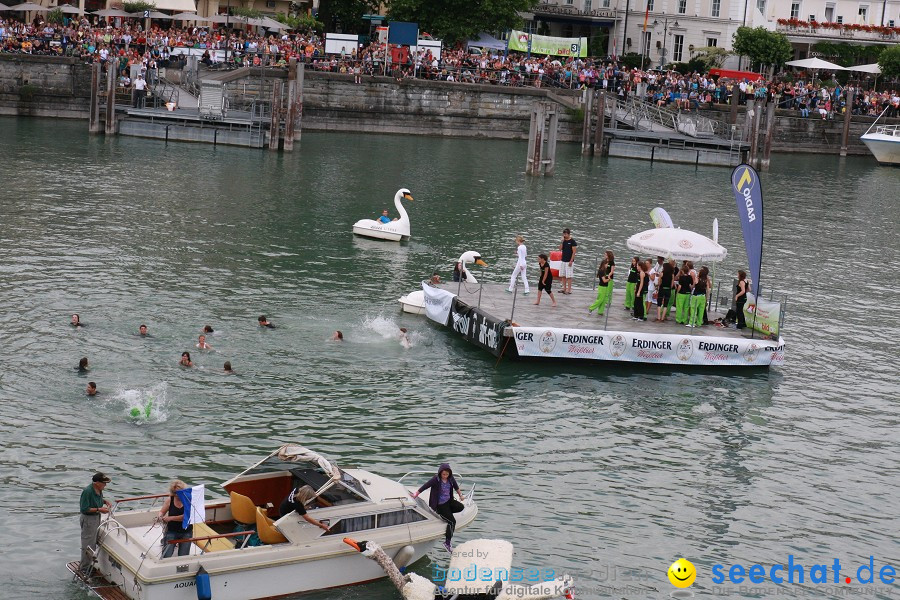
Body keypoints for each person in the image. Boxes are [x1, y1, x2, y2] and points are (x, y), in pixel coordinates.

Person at [412, 463, 465, 552]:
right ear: (440, 473)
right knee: (452, 522)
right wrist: (416, 494)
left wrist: (460, 495)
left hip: (449, 501)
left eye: (447, 474)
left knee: (460, 507)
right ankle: (447, 543)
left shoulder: (451, 479)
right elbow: (425, 486)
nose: (445, 476)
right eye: (443, 474)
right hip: (440, 505)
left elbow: (456, 487)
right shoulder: (436, 479)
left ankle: (447, 513)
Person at [79, 472, 112, 573]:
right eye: (103, 483)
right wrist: (99, 509)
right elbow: (84, 509)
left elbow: (97, 500)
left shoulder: (99, 490)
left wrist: (104, 501)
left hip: (96, 517)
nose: (105, 485)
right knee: (88, 544)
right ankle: (84, 569)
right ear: (97, 483)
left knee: (93, 542)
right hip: (89, 520)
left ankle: (89, 565)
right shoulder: (88, 491)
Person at [158, 480, 192, 558]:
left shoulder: (189, 500)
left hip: (186, 531)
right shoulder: (170, 500)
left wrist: (171, 518)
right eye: (175, 493)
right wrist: (160, 517)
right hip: (171, 531)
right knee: (166, 555)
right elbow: (162, 512)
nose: (177, 495)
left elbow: (186, 517)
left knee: (183, 556)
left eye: (179, 493)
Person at [558, 229, 578, 295]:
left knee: (569, 276)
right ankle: (564, 288)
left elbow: (574, 252)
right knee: (563, 275)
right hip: (563, 259)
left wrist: (571, 260)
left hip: (569, 260)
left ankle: (569, 290)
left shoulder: (572, 241)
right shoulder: (564, 241)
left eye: (565, 234)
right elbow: (560, 249)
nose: (564, 235)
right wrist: (561, 242)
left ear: (569, 234)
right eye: (563, 234)